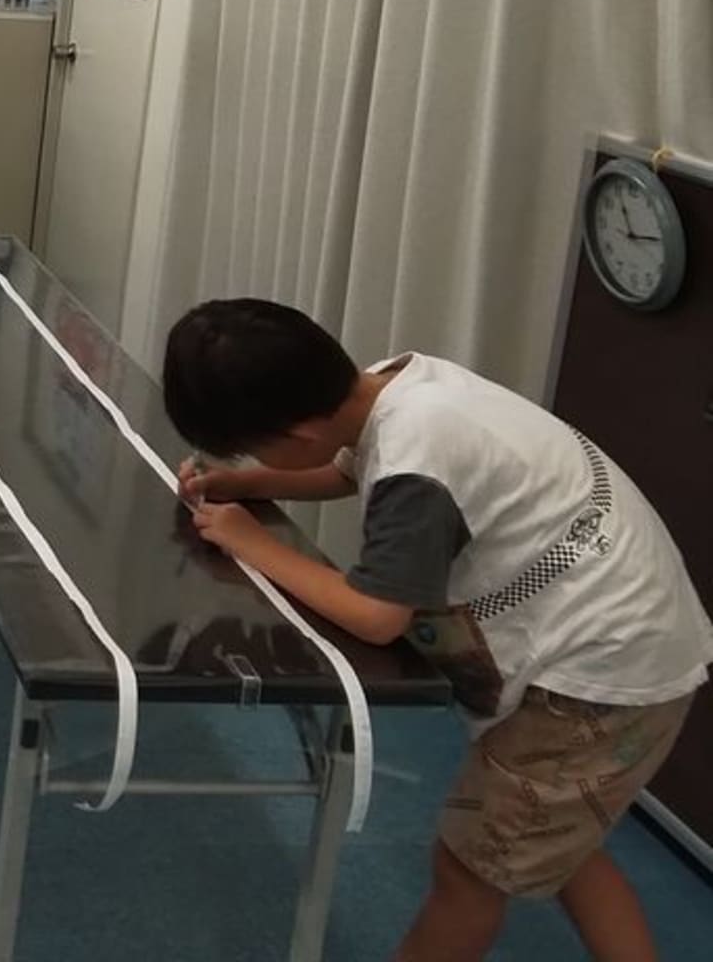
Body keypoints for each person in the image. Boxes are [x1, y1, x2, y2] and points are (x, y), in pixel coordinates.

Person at [162, 299, 712, 962]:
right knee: (562, 843)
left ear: (299, 428)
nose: (253, 457)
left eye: (254, 446)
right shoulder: (397, 385)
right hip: (633, 637)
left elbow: (377, 614)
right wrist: (246, 483)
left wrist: (253, 543)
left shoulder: (414, 461)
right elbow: (344, 467)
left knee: (467, 873)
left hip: (600, 675)